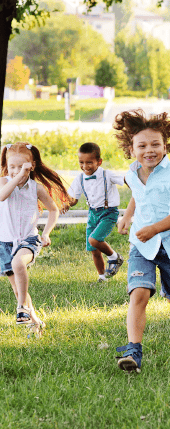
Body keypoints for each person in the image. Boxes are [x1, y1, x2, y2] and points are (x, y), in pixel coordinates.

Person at [114, 110, 170, 373]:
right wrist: (128, 216)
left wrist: (153, 229)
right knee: (138, 294)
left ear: (165, 146)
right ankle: (133, 351)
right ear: (131, 149)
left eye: (155, 144)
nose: (149, 150)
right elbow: (140, 194)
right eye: (142, 145)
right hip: (141, 245)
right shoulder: (132, 172)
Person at [0, 142, 70, 333]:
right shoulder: (4, 182)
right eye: (11, 166)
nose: (15, 170)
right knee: (17, 289)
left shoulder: (36, 188)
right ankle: (35, 321)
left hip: (29, 239)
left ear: (32, 165)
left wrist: (46, 232)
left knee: (18, 264)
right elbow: (2, 196)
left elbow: (53, 210)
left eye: (21, 166)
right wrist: (18, 176)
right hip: (5, 243)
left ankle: (21, 307)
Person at [67, 142, 125, 282]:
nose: (85, 166)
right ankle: (102, 277)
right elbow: (73, 199)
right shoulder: (79, 178)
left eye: (89, 162)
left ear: (99, 162)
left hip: (108, 213)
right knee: (93, 249)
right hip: (92, 213)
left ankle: (114, 257)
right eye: (81, 162)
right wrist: (66, 204)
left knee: (94, 239)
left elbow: (125, 179)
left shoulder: (107, 174)